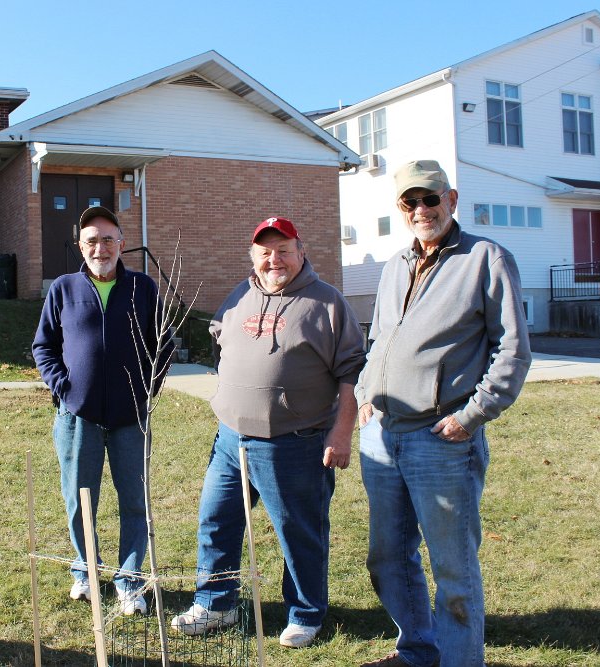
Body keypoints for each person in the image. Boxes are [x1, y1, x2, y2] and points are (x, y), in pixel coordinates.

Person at [356, 160, 532, 667]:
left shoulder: (485, 258)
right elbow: (378, 339)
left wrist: (472, 415)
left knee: (453, 569)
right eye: (410, 202)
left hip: (442, 440)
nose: (421, 210)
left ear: (451, 200)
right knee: (388, 559)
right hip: (382, 436)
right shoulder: (394, 265)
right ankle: (417, 650)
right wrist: (366, 392)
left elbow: (512, 350)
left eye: (430, 199)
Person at [171, 216, 366, 649]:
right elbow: (219, 336)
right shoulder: (241, 294)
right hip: (230, 440)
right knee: (216, 522)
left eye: (283, 250)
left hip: (294, 442)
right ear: (253, 257)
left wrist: (341, 433)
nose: (274, 259)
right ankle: (216, 603)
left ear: (301, 252)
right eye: (265, 252)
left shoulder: (327, 303)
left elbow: (352, 373)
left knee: (298, 533)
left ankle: (305, 614)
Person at [32, 205, 172, 616]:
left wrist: (146, 389)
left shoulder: (143, 288)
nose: (101, 248)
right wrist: (64, 387)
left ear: (121, 244)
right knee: (80, 500)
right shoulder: (63, 288)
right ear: (81, 246)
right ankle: (86, 572)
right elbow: (43, 346)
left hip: (131, 419)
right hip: (78, 417)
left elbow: (164, 343)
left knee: (134, 501)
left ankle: (130, 580)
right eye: (92, 240)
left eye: (108, 239)